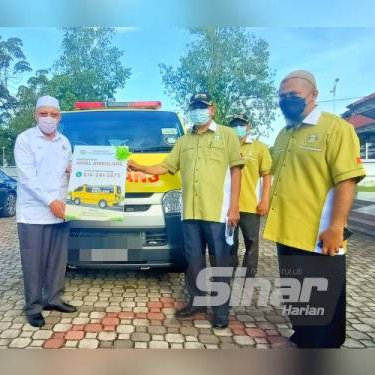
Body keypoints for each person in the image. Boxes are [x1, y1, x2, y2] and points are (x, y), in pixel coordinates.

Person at [263, 70, 365, 348]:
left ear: (313, 95)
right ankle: (303, 338)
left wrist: (336, 227)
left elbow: (347, 179)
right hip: (287, 231)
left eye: (293, 96)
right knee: (296, 294)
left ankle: (324, 348)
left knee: (323, 300)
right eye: (282, 97)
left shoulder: (335, 129)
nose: (286, 101)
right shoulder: (284, 134)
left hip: (320, 234)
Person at [128, 92, 244, 328]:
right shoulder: (183, 142)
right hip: (190, 212)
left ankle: (221, 311)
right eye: (194, 107)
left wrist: (234, 207)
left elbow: (236, 171)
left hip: (218, 212)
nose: (197, 111)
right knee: (194, 261)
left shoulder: (227, 135)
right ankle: (197, 302)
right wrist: (137, 165)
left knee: (220, 262)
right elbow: (165, 167)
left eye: (202, 106)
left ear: (212, 109)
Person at [14, 95, 75, 328]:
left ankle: (53, 299)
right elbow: (28, 177)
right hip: (33, 214)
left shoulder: (64, 141)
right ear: (35, 115)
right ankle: (34, 307)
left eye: (54, 114)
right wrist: (51, 201)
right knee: (33, 263)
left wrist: (75, 172)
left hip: (61, 211)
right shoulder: (25, 140)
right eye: (44, 114)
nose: (49, 118)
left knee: (57, 261)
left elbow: (68, 171)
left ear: (59, 117)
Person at [227, 114, 272, 277]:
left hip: (251, 205)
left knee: (252, 242)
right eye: (234, 124)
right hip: (228, 205)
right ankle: (230, 272)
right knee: (230, 242)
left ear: (248, 127)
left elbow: (267, 175)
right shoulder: (225, 146)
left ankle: (249, 274)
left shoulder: (260, 148)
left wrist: (265, 200)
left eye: (241, 124)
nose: (237, 127)